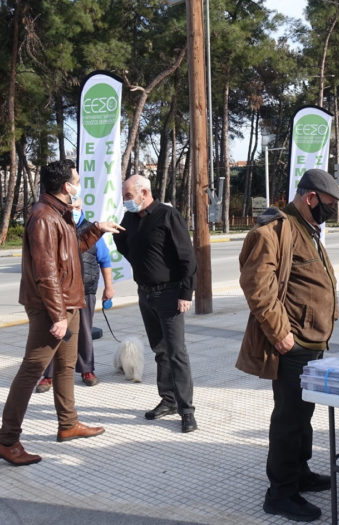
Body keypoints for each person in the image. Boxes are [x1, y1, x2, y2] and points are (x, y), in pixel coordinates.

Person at [237, 168, 339, 522]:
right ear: (310, 197)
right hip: (293, 344)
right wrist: (282, 334)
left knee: (304, 416)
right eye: (329, 204)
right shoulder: (275, 231)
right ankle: (280, 492)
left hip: (313, 340)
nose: (332, 211)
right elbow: (257, 287)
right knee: (288, 419)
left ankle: (300, 472)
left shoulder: (308, 228)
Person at [0, 160, 122, 466]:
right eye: (76, 180)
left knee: (67, 366)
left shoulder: (60, 215)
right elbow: (47, 273)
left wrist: (96, 229)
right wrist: (56, 315)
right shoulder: (43, 217)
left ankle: (68, 425)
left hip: (69, 303)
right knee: (31, 370)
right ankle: (7, 440)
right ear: (66, 186)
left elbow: (70, 252)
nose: (79, 185)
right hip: (50, 307)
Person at [113, 175, 198, 434]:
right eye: (124, 196)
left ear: (144, 192)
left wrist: (185, 293)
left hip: (170, 294)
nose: (125, 201)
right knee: (159, 350)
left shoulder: (167, 215)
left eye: (128, 196)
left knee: (176, 353)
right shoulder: (130, 218)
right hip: (146, 294)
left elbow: (188, 257)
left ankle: (186, 410)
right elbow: (123, 244)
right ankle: (168, 400)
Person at [36, 198, 114, 392]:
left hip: (86, 291)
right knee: (55, 332)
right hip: (60, 292)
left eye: (77, 208)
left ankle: (87, 370)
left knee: (85, 332)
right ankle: (48, 375)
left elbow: (105, 261)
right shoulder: (56, 228)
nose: (74, 211)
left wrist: (109, 288)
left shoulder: (92, 231)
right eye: (71, 208)